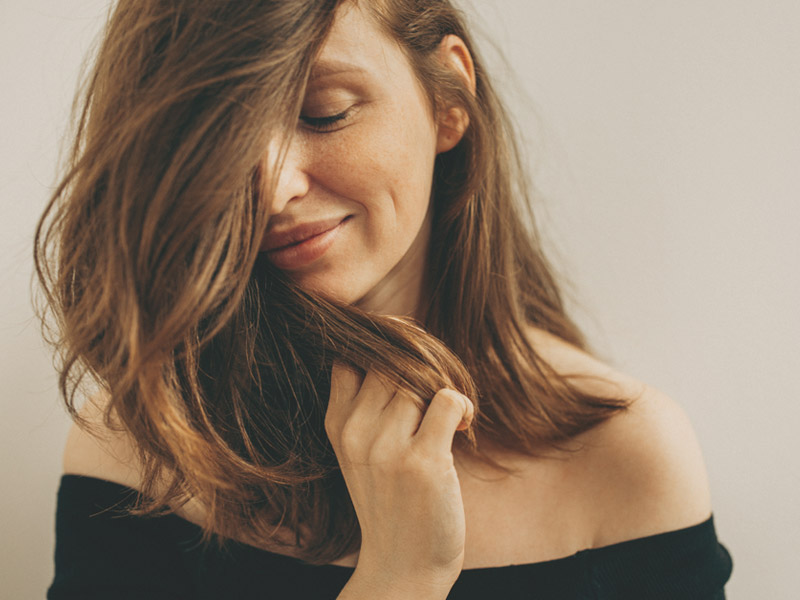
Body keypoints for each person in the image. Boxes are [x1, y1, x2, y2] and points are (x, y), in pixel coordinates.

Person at [35, 1, 732, 598]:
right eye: (225, 137)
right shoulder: (140, 451)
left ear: (449, 100)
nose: (273, 188)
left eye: (324, 112)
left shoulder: (626, 459)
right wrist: (398, 580)